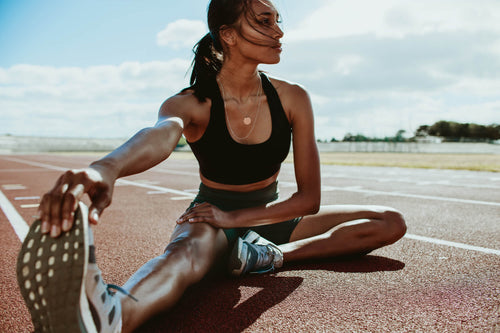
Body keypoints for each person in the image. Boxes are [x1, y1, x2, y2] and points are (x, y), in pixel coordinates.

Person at [17, 0, 407, 332]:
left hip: (272, 219)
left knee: (390, 222)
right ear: (229, 34)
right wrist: (107, 168)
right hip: (210, 220)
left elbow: (309, 199)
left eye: (277, 21)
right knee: (180, 260)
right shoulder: (191, 103)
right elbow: (159, 135)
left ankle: (269, 256)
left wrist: (243, 225)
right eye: (263, 21)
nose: (279, 33)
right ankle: (113, 314)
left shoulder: (293, 98)